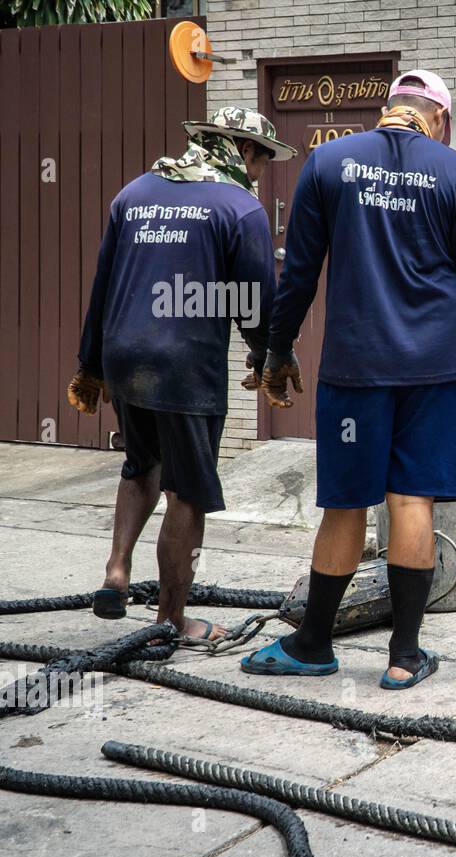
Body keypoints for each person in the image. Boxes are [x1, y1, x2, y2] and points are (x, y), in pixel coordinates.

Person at [241, 69, 456, 688]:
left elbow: (299, 274)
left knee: (345, 505)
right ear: (438, 118)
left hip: (356, 370)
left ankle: (312, 645)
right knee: (411, 498)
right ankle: (403, 657)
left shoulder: (329, 163)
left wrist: (278, 350)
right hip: (434, 372)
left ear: (388, 110)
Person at [68, 108, 295, 642]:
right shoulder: (241, 208)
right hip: (185, 368)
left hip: (125, 356)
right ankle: (171, 619)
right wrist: (270, 359)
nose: (261, 173)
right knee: (187, 493)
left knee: (140, 465)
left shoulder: (134, 193)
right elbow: (256, 302)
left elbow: (103, 285)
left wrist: (89, 366)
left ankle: (116, 572)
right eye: (262, 160)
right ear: (244, 151)